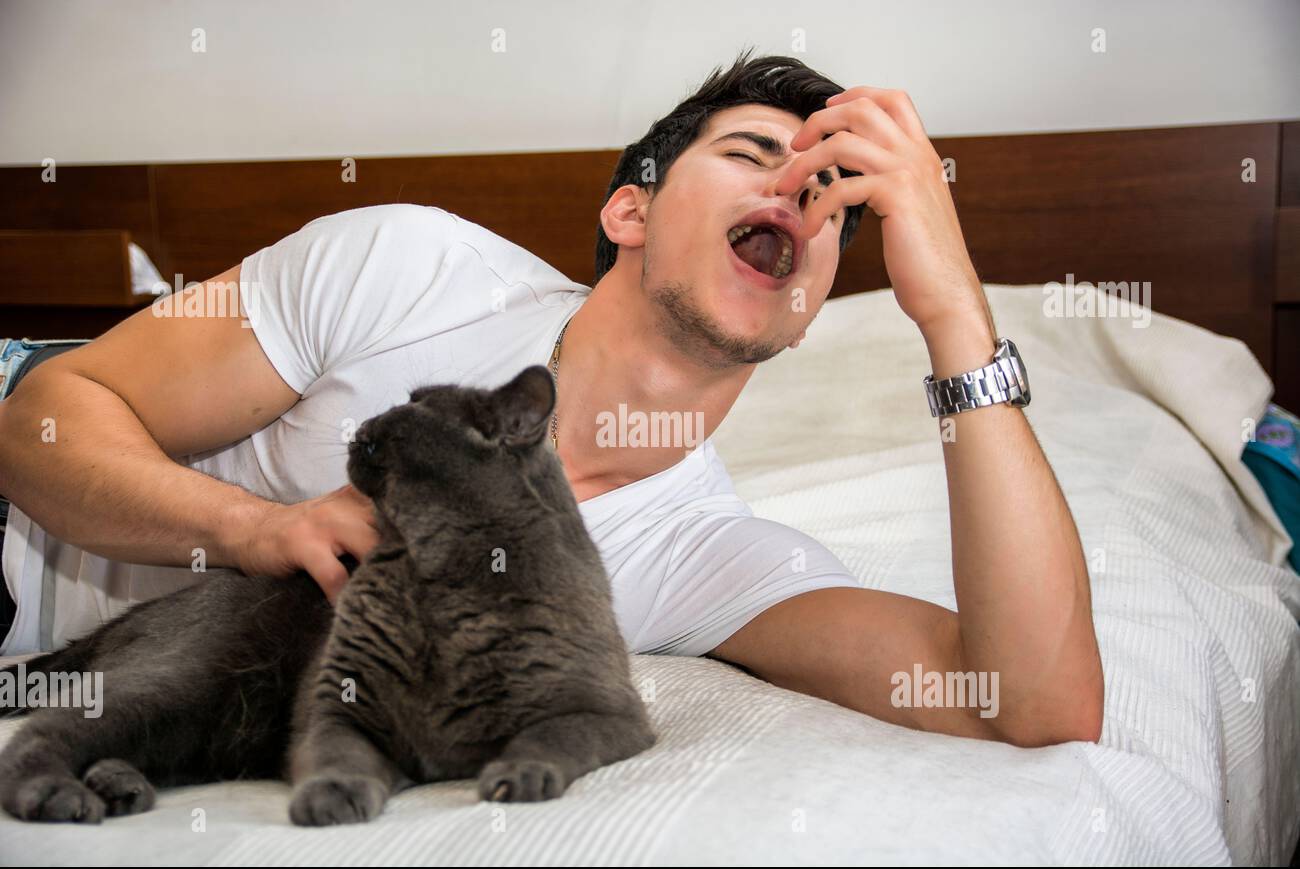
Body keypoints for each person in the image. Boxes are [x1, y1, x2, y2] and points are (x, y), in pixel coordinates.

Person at [0, 51, 1102, 747]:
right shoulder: (410, 266)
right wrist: (254, 529)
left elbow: (1033, 703)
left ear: (809, 309)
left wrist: (955, 312)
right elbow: (44, 417)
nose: (796, 194)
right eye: (753, 153)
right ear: (630, 211)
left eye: (830, 196)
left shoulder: (702, 555)